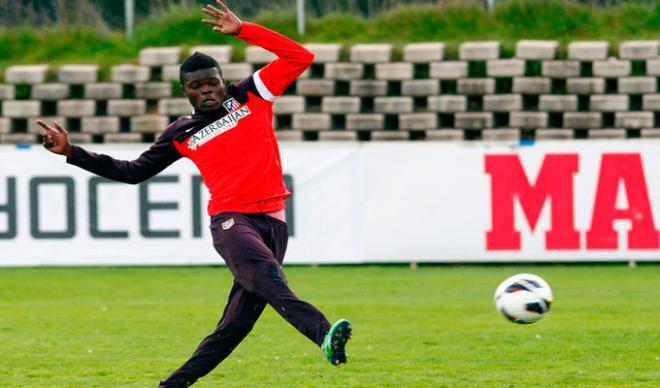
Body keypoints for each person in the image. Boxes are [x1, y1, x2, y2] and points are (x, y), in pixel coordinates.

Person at [36, 1, 351, 386]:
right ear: (184, 91)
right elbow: (133, 172)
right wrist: (73, 153)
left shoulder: (251, 95)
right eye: (197, 86)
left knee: (234, 328)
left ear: (222, 80)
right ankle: (323, 334)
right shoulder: (181, 132)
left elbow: (300, 56)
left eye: (212, 83)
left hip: (274, 222)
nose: (207, 91)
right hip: (232, 221)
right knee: (270, 277)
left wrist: (246, 31)